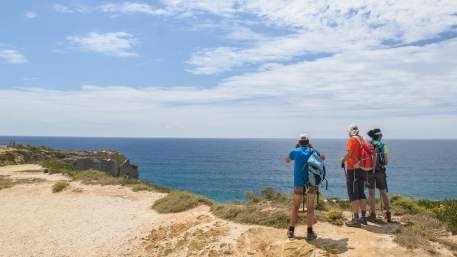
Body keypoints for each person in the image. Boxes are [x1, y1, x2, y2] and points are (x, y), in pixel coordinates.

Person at [284, 134, 325, 240]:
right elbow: (322, 157)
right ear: (308, 142)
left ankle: (291, 231)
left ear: (299, 142)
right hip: (311, 183)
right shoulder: (312, 150)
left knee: (295, 207)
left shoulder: (295, 151)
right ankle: (310, 232)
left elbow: (287, 160)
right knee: (310, 208)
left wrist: (295, 148)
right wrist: (312, 148)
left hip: (298, 183)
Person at [340, 125, 368, 227]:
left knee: (353, 194)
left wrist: (342, 160)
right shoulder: (362, 139)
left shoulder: (352, 140)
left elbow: (349, 154)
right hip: (362, 169)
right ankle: (363, 218)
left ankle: (356, 219)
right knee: (361, 193)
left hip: (353, 170)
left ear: (351, 132)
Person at [366, 128, 392, 223]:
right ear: (379, 136)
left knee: (371, 194)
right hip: (380, 171)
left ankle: (373, 215)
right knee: (383, 193)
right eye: (381, 135)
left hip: (369, 171)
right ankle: (388, 215)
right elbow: (386, 162)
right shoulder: (383, 146)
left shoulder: (368, 144)